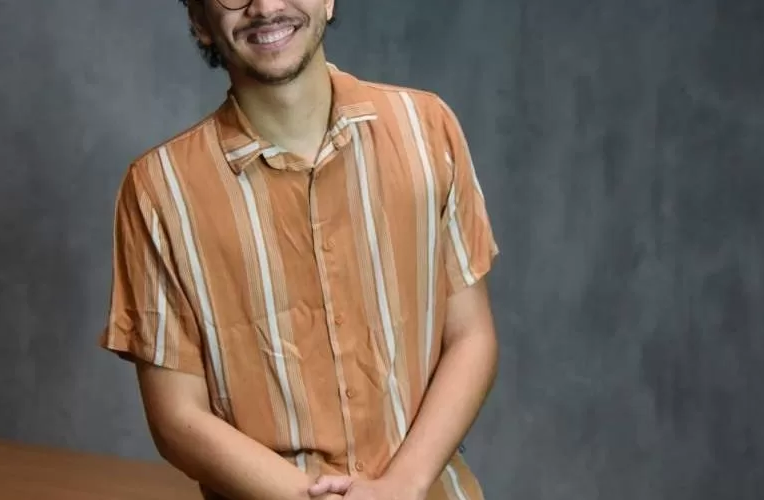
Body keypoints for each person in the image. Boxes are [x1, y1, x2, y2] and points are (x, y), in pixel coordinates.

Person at [101, 0, 499, 498]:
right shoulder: (159, 192)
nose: (265, 7)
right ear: (199, 22)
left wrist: (402, 484)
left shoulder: (427, 131)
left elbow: (471, 336)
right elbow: (177, 417)